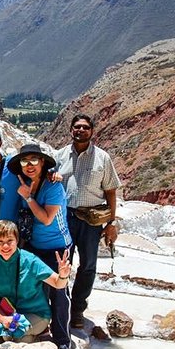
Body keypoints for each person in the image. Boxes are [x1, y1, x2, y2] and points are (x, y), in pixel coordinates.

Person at [54, 114, 121, 329]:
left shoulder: (103, 158)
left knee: (88, 265)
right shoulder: (60, 156)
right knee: (62, 263)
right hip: (65, 218)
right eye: (77, 127)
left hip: (91, 220)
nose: (80, 130)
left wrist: (111, 223)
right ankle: (60, 306)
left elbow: (110, 191)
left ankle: (78, 309)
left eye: (85, 127)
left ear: (92, 131)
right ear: (71, 130)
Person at [8, 143, 73, 349]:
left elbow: (46, 219)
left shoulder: (53, 186)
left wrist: (28, 197)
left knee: (59, 292)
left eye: (34, 160)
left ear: (43, 162)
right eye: (25, 161)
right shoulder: (25, 183)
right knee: (37, 290)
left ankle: (63, 342)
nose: (29, 165)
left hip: (57, 248)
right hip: (34, 246)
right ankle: (42, 329)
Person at [0, 220, 71, 346]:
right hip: (6, 313)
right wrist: (2, 318)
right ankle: (25, 335)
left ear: (17, 240)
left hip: (34, 313)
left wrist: (63, 276)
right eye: (0, 242)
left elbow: (58, 284)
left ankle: (38, 333)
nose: (5, 246)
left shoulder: (30, 260)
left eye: (10, 241)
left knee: (12, 338)